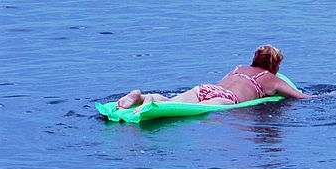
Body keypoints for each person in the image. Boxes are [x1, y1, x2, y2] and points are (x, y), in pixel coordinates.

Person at [116, 45, 314, 113]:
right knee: (196, 111)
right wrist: (330, 94)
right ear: (275, 66)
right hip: (227, 98)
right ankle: (150, 104)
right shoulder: (271, 78)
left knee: (174, 102)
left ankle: (144, 97)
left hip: (206, 87)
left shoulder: (239, 67)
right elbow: (300, 97)